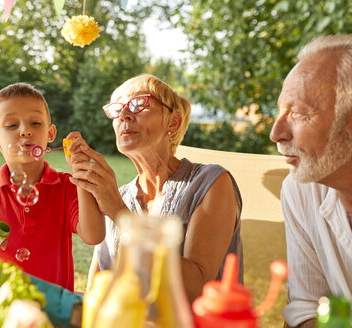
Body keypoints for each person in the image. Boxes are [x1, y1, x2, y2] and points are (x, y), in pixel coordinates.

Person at [65, 73, 243, 302]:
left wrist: (119, 213)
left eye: (139, 104)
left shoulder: (210, 182)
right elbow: (95, 292)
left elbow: (197, 288)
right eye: (116, 110)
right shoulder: (118, 196)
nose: (124, 116)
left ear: (173, 122)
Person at [0, 82, 105, 291]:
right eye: (11, 125)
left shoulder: (67, 186)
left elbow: (93, 236)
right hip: (1, 306)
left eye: (35, 123)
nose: (25, 131)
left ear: (51, 133)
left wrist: (80, 173)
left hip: (53, 311)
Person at [269, 34, 352, 328]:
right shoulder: (300, 189)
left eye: (299, 113)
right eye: (279, 112)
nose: (276, 133)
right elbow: (306, 307)